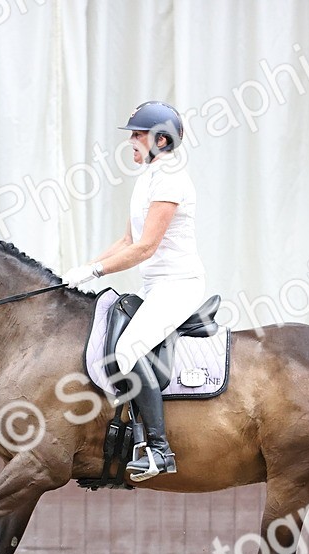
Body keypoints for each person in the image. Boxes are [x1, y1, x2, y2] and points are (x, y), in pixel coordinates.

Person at [60, 101, 206, 481]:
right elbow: (126, 240)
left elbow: (144, 248)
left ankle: (159, 450)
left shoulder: (171, 180)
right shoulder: (147, 180)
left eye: (137, 135)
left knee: (128, 349)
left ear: (161, 140)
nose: (131, 143)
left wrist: (95, 270)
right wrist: (82, 271)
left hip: (179, 285)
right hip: (155, 286)